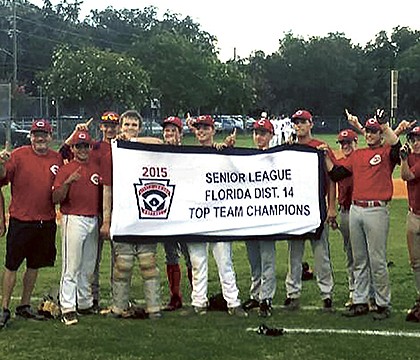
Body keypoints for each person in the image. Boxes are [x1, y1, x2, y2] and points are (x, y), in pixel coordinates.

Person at [327, 110, 401, 320]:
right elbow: (337, 173)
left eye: (373, 131)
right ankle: (360, 301)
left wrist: (385, 125)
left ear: (380, 134)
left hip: (376, 209)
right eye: (367, 131)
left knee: (377, 260)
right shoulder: (357, 155)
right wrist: (325, 156)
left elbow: (396, 147)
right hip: (356, 209)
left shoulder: (387, 153)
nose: (369, 134)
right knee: (359, 259)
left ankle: (382, 303)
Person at [0, 119, 63, 329]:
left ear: (50, 137)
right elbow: (2, 179)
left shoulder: (56, 158)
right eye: (36, 134)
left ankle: (24, 305)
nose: (40, 138)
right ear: (31, 136)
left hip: (45, 221)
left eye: (44, 134)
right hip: (21, 220)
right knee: (11, 266)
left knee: (34, 265)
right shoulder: (18, 155)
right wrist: (1, 163)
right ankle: (4, 308)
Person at [100, 110, 162, 319]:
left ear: (139, 128)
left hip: (145, 214)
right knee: (123, 264)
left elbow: (159, 142)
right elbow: (107, 188)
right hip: (122, 214)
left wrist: (133, 140)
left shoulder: (146, 146)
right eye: (126, 125)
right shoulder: (113, 152)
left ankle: (154, 307)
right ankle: (119, 307)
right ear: (120, 127)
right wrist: (107, 220)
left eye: (134, 125)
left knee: (148, 263)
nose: (130, 128)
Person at [59, 111, 120, 311]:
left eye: (113, 125)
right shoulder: (93, 147)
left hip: (117, 207)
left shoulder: (124, 144)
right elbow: (63, 152)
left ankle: (118, 298)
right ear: (101, 127)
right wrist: (75, 134)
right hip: (94, 210)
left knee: (115, 258)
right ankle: (89, 299)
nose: (110, 129)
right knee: (89, 261)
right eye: (106, 125)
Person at [186, 115, 247, 317]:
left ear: (213, 130)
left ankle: (233, 302)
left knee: (224, 261)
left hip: (219, 215)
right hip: (195, 214)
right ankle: (198, 302)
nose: (201, 131)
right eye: (198, 128)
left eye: (205, 128)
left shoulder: (220, 152)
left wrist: (228, 150)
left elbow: (238, 176)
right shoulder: (186, 154)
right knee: (197, 261)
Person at [284, 109, 336, 311]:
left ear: (311, 124)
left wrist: (331, 206)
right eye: (296, 123)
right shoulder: (289, 148)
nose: (299, 126)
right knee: (294, 254)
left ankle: (326, 293)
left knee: (321, 254)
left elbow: (332, 178)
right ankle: (293, 293)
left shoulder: (320, 148)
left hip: (316, 205)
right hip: (296, 208)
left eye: (303, 122)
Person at [53, 130, 102, 325]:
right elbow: (55, 198)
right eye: (78, 146)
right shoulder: (66, 169)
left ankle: (84, 302)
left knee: (88, 265)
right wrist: (67, 182)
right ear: (72, 148)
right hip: (73, 218)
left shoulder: (96, 167)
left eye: (86, 146)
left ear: (90, 147)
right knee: (71, 265)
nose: (82, 149)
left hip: (93, 218)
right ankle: (67, 306)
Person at [242, 118, 276, 317]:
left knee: (267, 259)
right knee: (254, 260)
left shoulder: (276, 157)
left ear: (270, 136)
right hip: (250, 217)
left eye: (263, 133)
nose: (259, 137)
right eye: (256, 133)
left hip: (268, 217)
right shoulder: (247, 156)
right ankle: (255, 295)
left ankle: (266, 298)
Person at [161, 116, 193, 311]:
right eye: (167, 131)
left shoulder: (187, 153)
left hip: (186, 212)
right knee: (171, 255)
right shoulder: (158, 152)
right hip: (167, 213)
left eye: (173, 131)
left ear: (180, 134)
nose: (169, 134)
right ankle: (175, 296)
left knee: (191, 257)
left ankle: (197, 294)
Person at [400, 126, 420, 322]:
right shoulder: (412, 157)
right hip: (413, 214)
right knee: (415, 262)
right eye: (413, 139)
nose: (416, 142)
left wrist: (404, 159)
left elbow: (406, 176)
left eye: (419, 139)